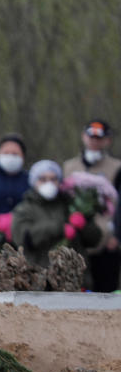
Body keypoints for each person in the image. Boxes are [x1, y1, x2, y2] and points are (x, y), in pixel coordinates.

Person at [63, 120, 121, 292]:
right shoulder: (69, 166)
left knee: (105, 290)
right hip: (75, 238)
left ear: (107, 140)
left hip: (106, 239)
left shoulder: (117, 168)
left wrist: (117, 235)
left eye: (99, 138)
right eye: (91, 137)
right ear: (84, 137)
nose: (94, 141)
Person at [11, 160, 100, 267]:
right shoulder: (24, 208)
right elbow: (21, 238)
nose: (49, 183)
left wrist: (84, 226)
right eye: (43, 179)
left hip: (73, 274)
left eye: (53, 179)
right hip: (38, 274)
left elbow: (95, 240)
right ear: (34, 181)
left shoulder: (71, 205)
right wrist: (59, 228)